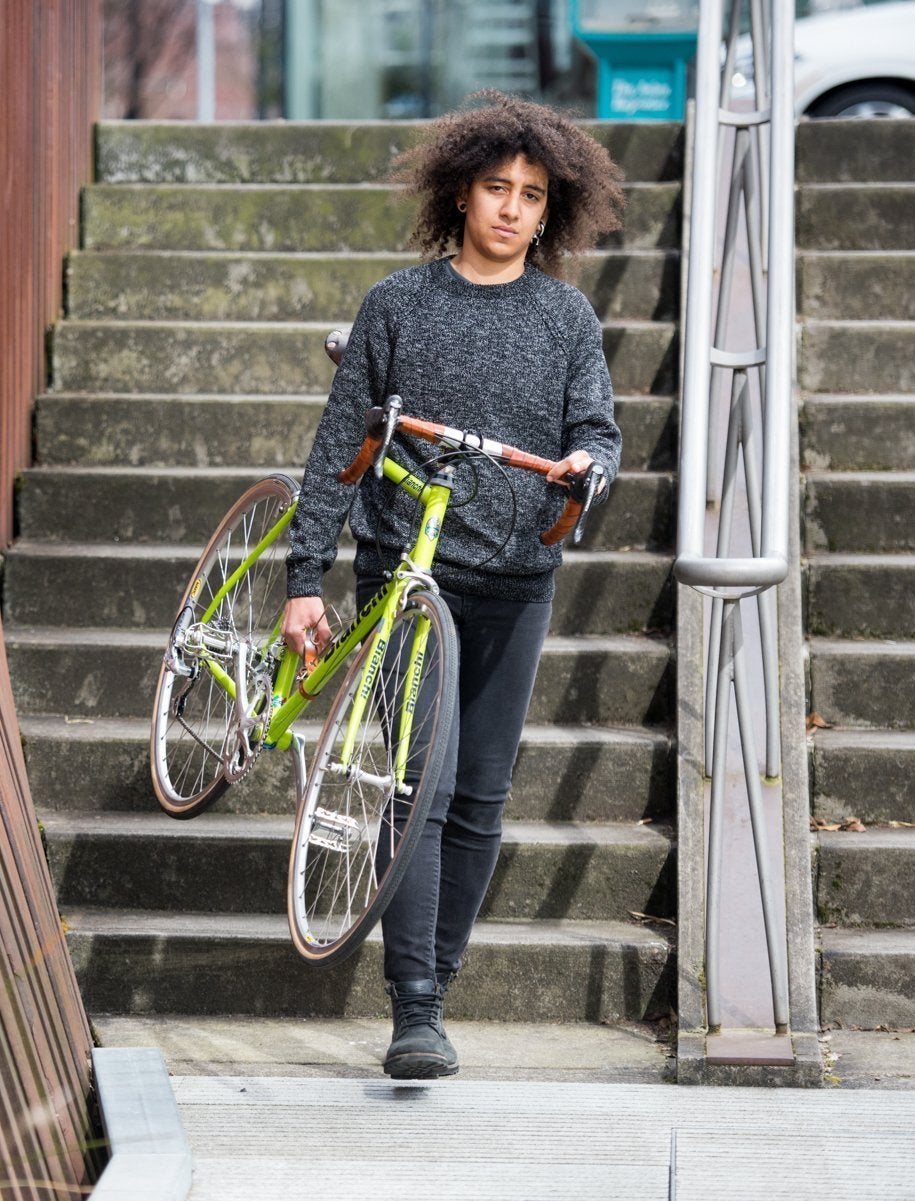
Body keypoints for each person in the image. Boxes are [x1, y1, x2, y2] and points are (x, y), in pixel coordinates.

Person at [281, 91, 628, 1079]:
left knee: (479, 796)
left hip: (517, 581)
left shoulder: (566, 318)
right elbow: (335, 449)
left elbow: (595, 431)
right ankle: (416, 1009)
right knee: (414, 789)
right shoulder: (397, 304)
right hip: (407, 574)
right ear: (459, 191)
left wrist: (585, 469)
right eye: (495, 188)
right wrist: (306, 575)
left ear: (550, 207)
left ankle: (439, 975)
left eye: (530, 194)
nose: (512, 208)